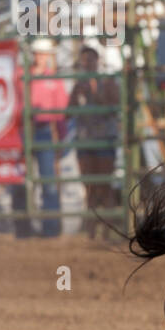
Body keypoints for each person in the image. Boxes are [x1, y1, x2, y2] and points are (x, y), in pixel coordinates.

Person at [12, 38, 68, 237]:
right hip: (25, 130)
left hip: (45, 130)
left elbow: (60, 111)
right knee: (21, 179)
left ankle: (50, 228)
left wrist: (61, 138)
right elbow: (16, 102)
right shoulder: (21, 76)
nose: (41, 57)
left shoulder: (53, 79)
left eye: (44, 54)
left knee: (48, 181)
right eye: (39, 53)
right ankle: (23, 227)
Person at [68, 44, 121, 238]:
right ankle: (91, 229)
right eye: (84, 60)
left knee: (104, 186)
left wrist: (97, 97)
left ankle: (107, 229)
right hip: (86, 140)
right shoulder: (79, 84)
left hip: (104, 139)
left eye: (90, 59)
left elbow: (116, 106)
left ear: (97, 61)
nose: (87, 63)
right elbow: (69, 110)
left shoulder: (108, 82)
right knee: (90, 187)